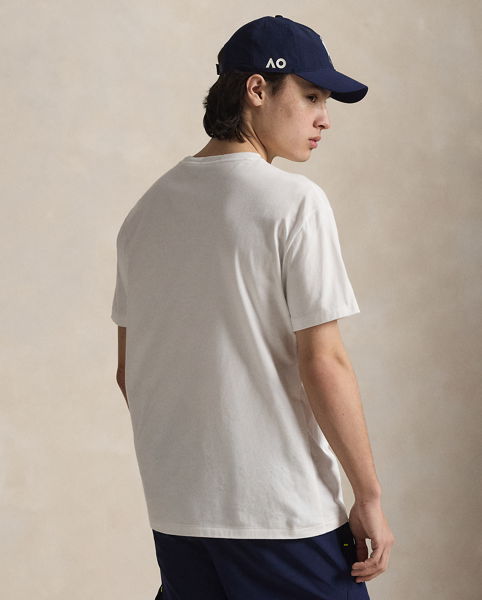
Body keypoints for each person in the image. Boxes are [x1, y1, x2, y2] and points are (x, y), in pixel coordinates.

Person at [111, 14, 395, 600]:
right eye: (311, 95)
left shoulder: (145, 213)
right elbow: (324, 363)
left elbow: (128, 372)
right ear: (257, 89)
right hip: (282, 516)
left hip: (178, 517)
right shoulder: (294, 204)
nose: (324, 117)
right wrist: (368, 495)